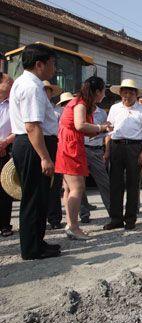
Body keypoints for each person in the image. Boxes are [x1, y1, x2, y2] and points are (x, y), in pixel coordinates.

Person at [9, 43, 61, 259]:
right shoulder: (31, 87)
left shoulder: (26, 83)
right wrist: (45, 157)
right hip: (33, 146)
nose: (54, 69)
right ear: (40, 64)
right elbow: (32, 126)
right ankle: (31, 248)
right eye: (52, 64)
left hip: (32, 144)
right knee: (33, 198)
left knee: (39, 197)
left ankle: (37, 242)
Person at [55, 76, 109, 240]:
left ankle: (70, 224)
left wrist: (99, 131)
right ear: (97, 91)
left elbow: (81, 128)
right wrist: (100, 127)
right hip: (71, 147)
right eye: (103, 92)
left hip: (69, 145)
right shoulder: (80, 103)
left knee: (69, 188)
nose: (104, 96)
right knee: (77, 188)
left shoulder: (81, 102)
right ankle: (73, 226)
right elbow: (79, 125)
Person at [103, 79, 142, 230]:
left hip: (134, 148)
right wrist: (107, 150)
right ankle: (116, 219)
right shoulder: (114, 108)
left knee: (132, 184)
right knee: (115, 184)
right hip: (116, 146)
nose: (127, 95)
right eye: (124, 92)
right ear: (120, 93)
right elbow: (108, 130)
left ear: (136, 94)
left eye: (131, 92)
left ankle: (130, 219)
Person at [79, 104, 112, 224]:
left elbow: (107, 132)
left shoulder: (102, 112)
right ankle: (84, 213)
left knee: (104, 183)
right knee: (80, 185)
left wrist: (106, 150)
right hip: (81, 149)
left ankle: (112, 212)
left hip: (97, 150)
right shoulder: (80, 109)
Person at [42, 80, 64, 230]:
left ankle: (54, 218)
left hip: (54, 144)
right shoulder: (32, 106)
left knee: (55, 184)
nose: (45, 93)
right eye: (42, 90)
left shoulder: (57, 111)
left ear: (51, 93)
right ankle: (39, 218)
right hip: (37, 145)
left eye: (47, 90)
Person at [0, 72, 15, 237]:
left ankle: (5, 224)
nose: (12, 85)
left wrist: (5, 143)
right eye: (8, 82)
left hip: (6, 150)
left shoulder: (13, 105)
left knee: (5, 189)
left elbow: (20, 128)